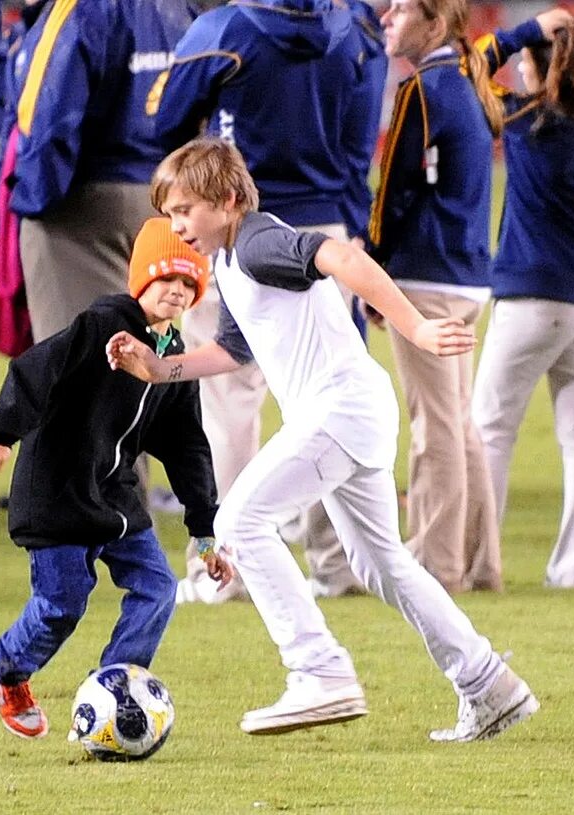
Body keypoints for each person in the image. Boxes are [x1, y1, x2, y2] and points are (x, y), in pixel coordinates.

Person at [108, 138, 538, 741]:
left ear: (229, 200)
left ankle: (319, 671)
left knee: (239, 522)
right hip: (349, 411)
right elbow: (234, 350)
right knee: (381, 563)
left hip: (338, 411)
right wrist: (159, 369)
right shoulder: (230, 263)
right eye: (170, 215)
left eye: (186, 211)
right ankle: (489, 684)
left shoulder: (257, 241)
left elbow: (341, 257)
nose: (177, 227)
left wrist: (412, 325)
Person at [151, 0, 386, 601]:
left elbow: (163, 125)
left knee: (230, 398)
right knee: (325, 394)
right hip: (325, 229)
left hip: (240, 231)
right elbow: (361, 142)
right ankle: (336, 564)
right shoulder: (354, 27)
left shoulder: (224, 30)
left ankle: (225, 570)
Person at [0, 217, 225, 740]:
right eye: (165, 281)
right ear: (140, 281)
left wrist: (203, 530)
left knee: (157, 586)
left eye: (188, 284)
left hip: (114, 497)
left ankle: (110, 690)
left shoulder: (173, 358)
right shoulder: (102, 325)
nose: (176, 293)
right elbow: (35, 368)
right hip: (58, 492)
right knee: (63, 603)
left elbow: (186, 446)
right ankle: (5, 668)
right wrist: (0, 428)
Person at [470, 10, 574, 588]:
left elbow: (469, 69)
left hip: (532, 295)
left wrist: (522, 31)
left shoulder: (525, 118)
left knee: (490, 426)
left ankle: (476, 561)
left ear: (538, 63)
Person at [368, 0, 504, 594]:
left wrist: (374, 267)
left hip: (427, 274)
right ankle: (479, 564)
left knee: (436, 428)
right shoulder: (469, 83)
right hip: (467, 273)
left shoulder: (423, 89)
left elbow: (393, 189)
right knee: (459, 425)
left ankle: (435, 563)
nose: (388, 16)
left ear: (435, 21)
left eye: (401, 8)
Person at [9, 0, 204, 343]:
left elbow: (49, 113)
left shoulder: (81, 9)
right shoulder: (181, 8)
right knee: (140, 365)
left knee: (75, 369)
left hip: (86, 205)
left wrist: (31, 202)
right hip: (165, 200)